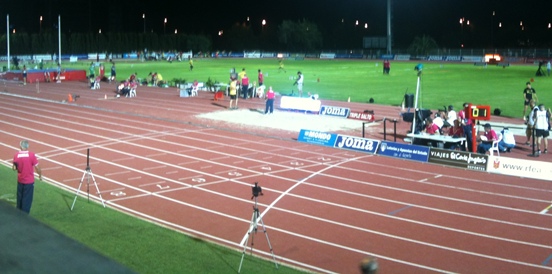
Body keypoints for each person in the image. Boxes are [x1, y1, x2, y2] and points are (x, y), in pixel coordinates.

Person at [12, 140, 42, 214]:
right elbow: (37, 168)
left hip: (20, 180)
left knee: (20, 198)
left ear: (20, 146)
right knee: (27, 200)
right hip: (29, 181)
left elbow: (14, 168)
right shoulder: (31, 155)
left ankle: (18, 214)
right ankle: (24, 217)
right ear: (28, 146)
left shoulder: (16, 155)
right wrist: (40, 176)